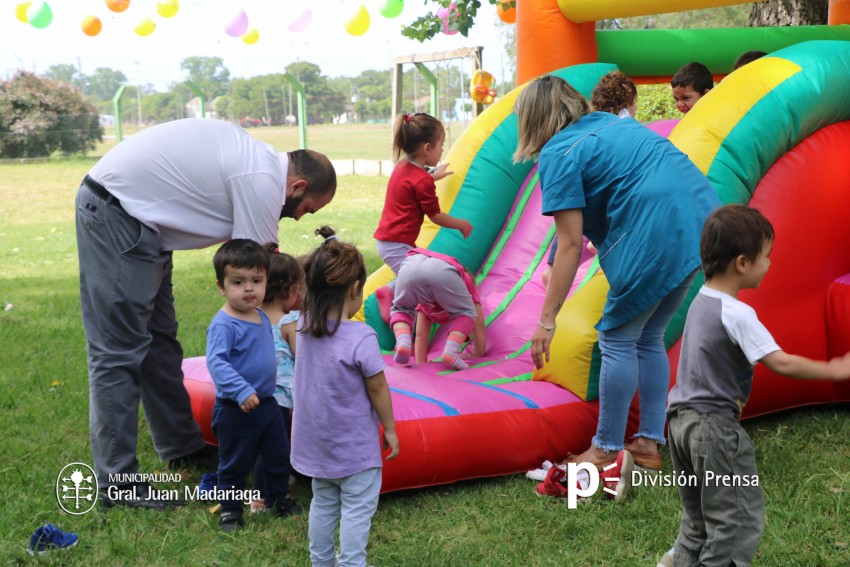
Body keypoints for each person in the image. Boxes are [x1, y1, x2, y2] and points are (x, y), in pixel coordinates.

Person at [75, 117, 336, 509]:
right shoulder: (261, 180)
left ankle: (181, 447)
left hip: (145, 225)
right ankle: (118, 483)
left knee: (160, 341)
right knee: (117, 351)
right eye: (307, 209)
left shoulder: (258, 163)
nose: (300, 217)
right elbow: (260, 278)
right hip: (119, 212)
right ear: (297, 187)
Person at [513, 75, 719, 474]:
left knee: (617, 338)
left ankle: (606, 448)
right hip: (702, 220)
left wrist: (547, 320)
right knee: (649, 337)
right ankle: (647, 445)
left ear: (534, 120)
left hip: (657, 229)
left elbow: (569, 245)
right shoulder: (618, 123)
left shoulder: (559, 151)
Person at [665, 205, 850, 566]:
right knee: (735, 522)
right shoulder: (737, 313)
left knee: (698, 521)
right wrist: (834, 369)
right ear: (742, 263)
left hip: (679, 424)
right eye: (767, 256)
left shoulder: (702, 300)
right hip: (713, 430)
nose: (770, 263)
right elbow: (779, 362)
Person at [291, 226, 399, 567]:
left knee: (323, 502)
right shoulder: (361, 336)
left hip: (315, 445)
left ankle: (321, 561)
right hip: (354, 450)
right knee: (356, 510)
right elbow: (378, 386)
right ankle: (352, 562)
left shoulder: (304, 327)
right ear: (355, 289)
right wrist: (391, 428)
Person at [206, 239, 302, 532]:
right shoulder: (224, 324)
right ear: (221, 286)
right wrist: (241, 390)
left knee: (277, 455)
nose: (249, 288)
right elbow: (218, 363)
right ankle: (231, 510)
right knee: (235, 463)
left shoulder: (260, 316)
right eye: (238, 282)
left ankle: (277, 497)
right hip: (237, 408)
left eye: (256, 281)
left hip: (267, 403)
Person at [541, 71, 635, 287]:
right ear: (629, 102)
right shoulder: (623, 123)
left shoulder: (594, 123)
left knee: (570, 219)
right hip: (606, 189)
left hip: (590, 184)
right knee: (576, 220)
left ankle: (552, 267)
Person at [251, 251, 304, 513]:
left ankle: (263, 489)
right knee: (276, 447)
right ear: (291, 289)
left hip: (250, 393)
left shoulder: (248, 315)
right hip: (280, 397)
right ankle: (270, 496)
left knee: (260, 445)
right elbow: (301, 359)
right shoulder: (288, 322)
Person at [388, 249, 486, 370]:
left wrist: (421, 362)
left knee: (401, 309)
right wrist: (479, 353)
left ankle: (403, 342)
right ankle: (450, 352)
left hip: (410, 266)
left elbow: (420, 336)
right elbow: (478, 325)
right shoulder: (466, 284)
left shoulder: (424, 301)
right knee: (467, 313)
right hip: (442, 271)